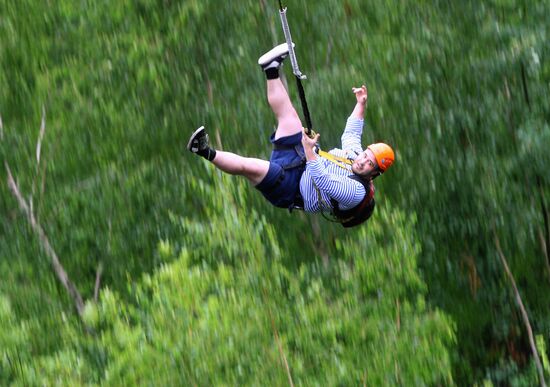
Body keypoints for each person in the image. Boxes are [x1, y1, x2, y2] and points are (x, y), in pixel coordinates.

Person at [187, 43, 395, 227]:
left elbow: (323, 180)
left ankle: (203, 149)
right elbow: (351, 132)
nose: (362, 161)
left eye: (369, 164)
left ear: (374, 173)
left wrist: (309, 150)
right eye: (366, 155)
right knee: (289, 117)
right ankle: (270, 69)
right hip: (302, 159)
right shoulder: (354, 155)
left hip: (291, 188)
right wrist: (361, 104)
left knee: (249, 166)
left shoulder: (356, 193)